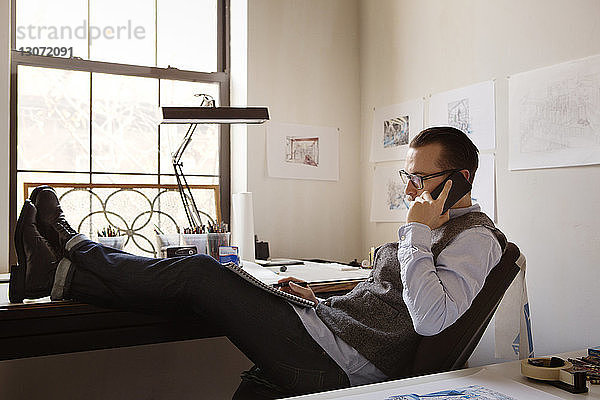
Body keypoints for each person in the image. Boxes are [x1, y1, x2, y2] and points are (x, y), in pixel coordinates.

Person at [11, 126, 505, 398]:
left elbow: (431, 318)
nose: (412, 188)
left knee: (199, 273)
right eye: (409, 176)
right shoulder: (430, 229)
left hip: (346, 365)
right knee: (207, 279)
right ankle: (60, 270)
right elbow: (385, 298)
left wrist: (415, 231)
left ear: (460, 178)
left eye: (423, 178)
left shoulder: (474, 239)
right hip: (329, 329)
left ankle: (70, 248)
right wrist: (321, 298)